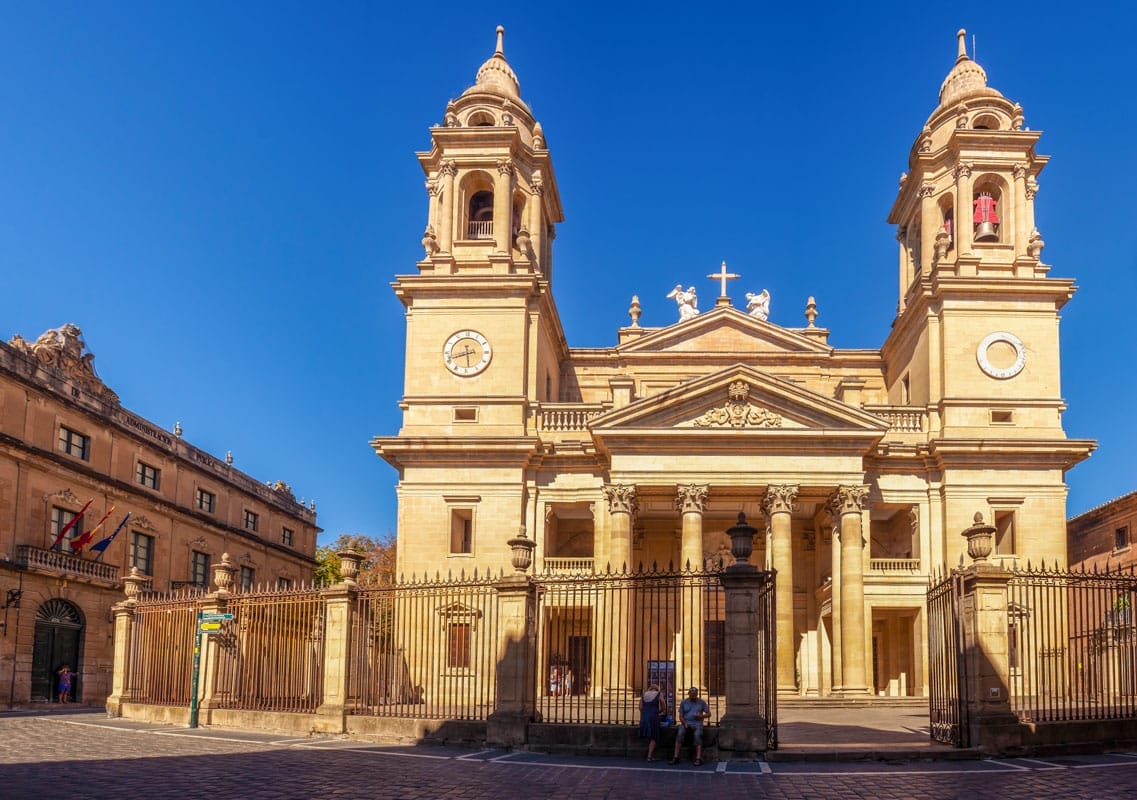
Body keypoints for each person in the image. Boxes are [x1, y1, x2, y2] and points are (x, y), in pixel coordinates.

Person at [671, 686, 709, 766]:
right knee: (680, 734)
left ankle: (698, 758)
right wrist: (684, 723)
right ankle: (676, 757)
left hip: (697, 723)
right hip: (686, 722)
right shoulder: (684, 702)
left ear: (697, 694)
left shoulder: (701, 702)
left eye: (694, 695)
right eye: (691, 695)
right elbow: (681, 716)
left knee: (697, 735)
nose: (693, 697)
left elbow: (709, 714)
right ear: (688, 694)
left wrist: (701, 716)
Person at [639, 683, 667, 761]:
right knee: (654, 736)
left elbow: (640, 707)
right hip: (653, 716)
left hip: (644, 716)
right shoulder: (659, 693)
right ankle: (649, 756)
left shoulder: (644, 694)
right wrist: (660, 711)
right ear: (657, 689)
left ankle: (648, 754)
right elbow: (663, 704)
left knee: (648, 734)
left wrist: (646, 712)